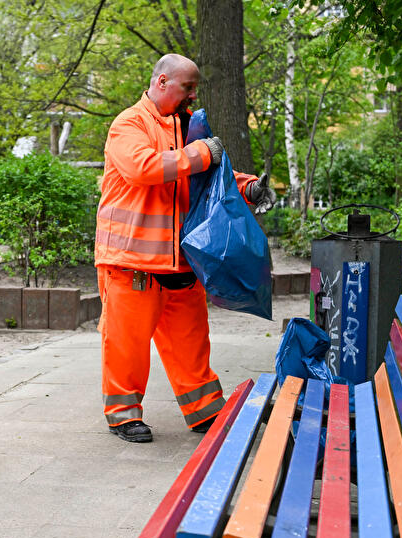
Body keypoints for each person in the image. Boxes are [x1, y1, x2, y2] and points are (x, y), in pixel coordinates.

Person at [95, 53, 276, 443]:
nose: (193, 95)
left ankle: (205, 412)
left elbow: (213, 179)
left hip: (180, 263)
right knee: (126, 344)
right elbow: (144, 168)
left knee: (192, 342)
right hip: (134, 263)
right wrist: (203, 152)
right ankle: (123, 415)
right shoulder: (130, 124)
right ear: (162, 82)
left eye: (194, 88)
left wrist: (248, 187)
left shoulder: (189, 126)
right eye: (187, 88)